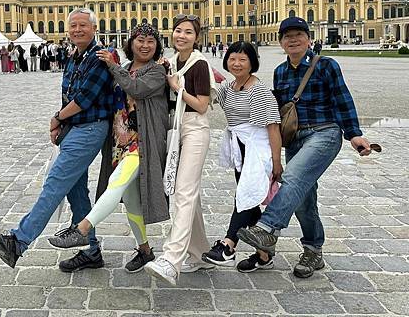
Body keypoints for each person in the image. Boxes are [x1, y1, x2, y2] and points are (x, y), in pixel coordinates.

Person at [237, 17, 373, 278]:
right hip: (295, 138)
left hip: (325, 133)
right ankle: (313, 251)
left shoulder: (326, 65)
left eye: (299, 34)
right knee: (303, 199)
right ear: (281, 42)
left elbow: (342, 99)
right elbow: (275, 111)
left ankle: (266, 228)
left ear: (309, 39)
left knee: (293, 178)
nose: (293, 40)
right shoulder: (280, 71)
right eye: (287, 36)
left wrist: (354, 134)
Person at [0, 8, 114, 272]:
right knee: (76, 191)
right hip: (74, 128)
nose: (77, 30)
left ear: (94, 29)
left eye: (83, 26)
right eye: (73, 26)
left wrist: (57, 118)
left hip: (90, 129)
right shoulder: (75, 56)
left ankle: (18, 242)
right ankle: (91, 251)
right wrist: (61, 124)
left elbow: (84, 99)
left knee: (55, 183)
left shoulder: (99, 58)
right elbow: (67, 94)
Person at [50, 23, 170, 273]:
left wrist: (112, 66)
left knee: (115, 183)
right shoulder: (125, 68)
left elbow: (136, 88)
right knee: (132, 199)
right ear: (131, 43)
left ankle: (82, 229)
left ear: (157, 45)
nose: (145, 45)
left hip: (143, 142)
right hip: (119, 144)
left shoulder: (157, 71)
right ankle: (145, 250)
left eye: (151, 41)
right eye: (140, 40)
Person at [144, 14, 217, 286]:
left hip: (195, 127)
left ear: (196, 38)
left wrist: (177, 88)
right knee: (190, 195)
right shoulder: (172, 62)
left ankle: (172, 259)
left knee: (183, 192)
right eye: (178, 31)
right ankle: (198, 254)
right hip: (174, 127)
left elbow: (201, 105)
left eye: (188, 32)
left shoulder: (199, 64)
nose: (182, 35)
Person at [202, 41, 282, 272]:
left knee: (244, 196)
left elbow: (273, 127)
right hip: (240, 146)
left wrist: (276, 162)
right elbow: (211, 93)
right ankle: (264, 254)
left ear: (252, 63)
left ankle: (228, 245)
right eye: (233, 58)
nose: (236, 63)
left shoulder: (258, 90)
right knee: (249, 200)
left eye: (243, 59)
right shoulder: (231, 86)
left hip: (257, 148)